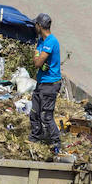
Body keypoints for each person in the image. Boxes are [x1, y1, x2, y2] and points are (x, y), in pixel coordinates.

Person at [30, 13, 62, 152]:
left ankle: (56, 142)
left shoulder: (50, 42)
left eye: (36, 24)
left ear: (40, 26)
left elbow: (37, 62)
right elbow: (36, 58)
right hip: (41, 82)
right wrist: (38, 56)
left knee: (46, 116)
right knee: (34, 112)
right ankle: (35, 137)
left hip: (50, 84)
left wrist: (38, 57)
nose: (34, 26)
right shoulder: (41, 41)